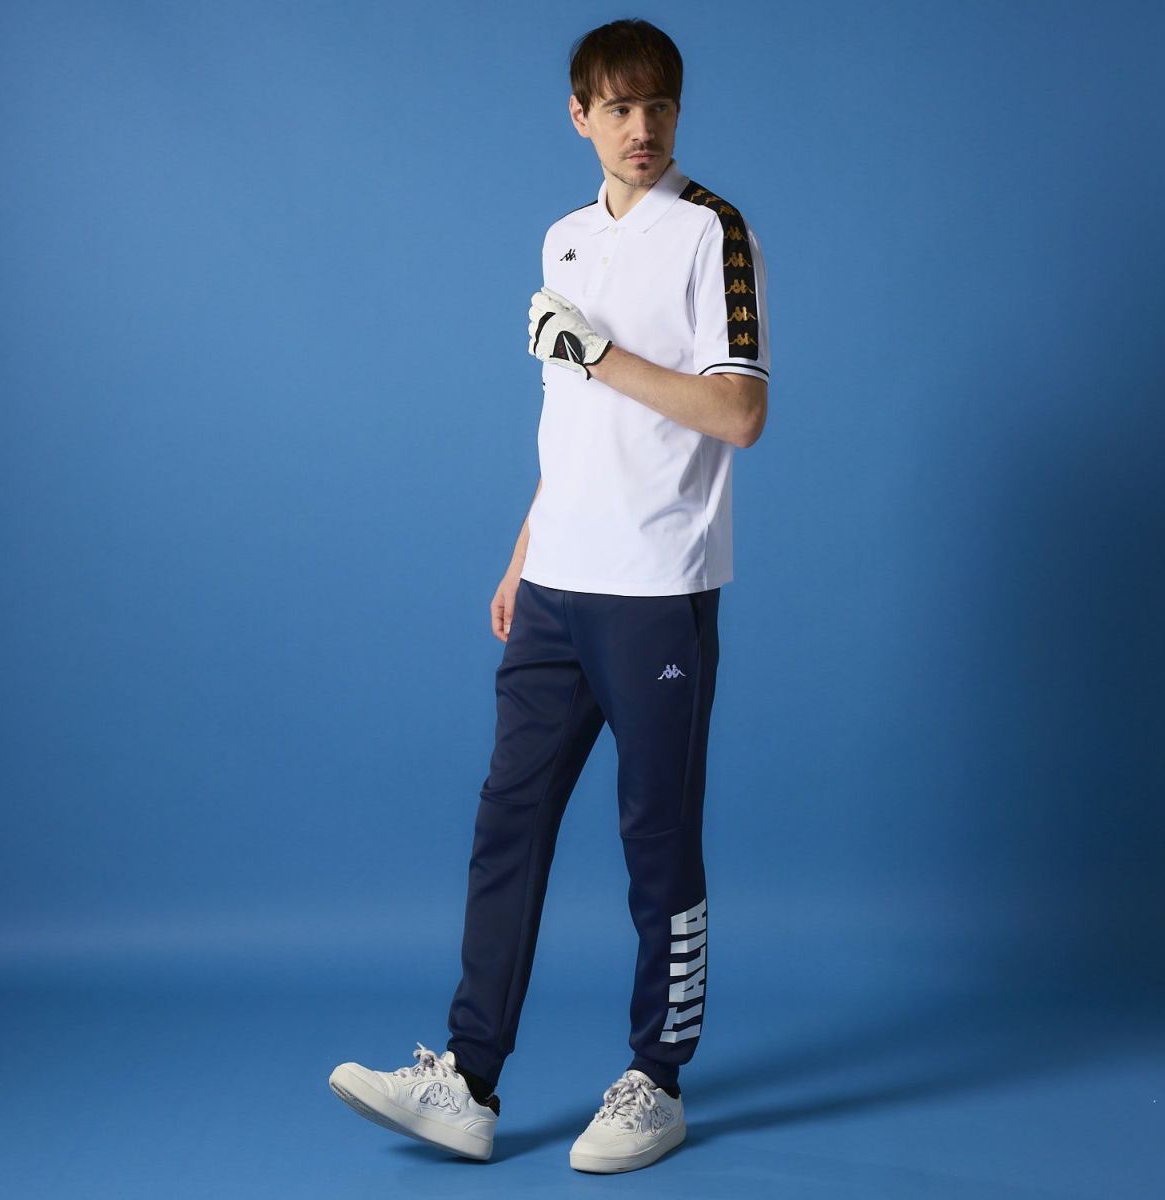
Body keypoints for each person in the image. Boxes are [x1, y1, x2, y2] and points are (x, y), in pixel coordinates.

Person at [329, 17, 770, 1174]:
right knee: (507, 824)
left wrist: (598, 354)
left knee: (657, 840)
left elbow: (741, 413)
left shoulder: (712, 231)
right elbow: (571, 423)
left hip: (658, 589)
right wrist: (523, 550)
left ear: (677, 112)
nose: (641, 127)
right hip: (557, 587)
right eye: (619, 108)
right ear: (580, 115)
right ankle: (468, 1081)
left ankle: (657, 1081)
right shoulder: (564, 239)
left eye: (659, 106)